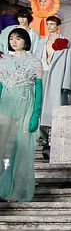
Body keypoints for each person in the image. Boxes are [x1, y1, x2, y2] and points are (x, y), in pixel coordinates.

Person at [0, 28, 43, 202]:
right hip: (6, 106)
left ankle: (16, 189)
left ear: (26, 40)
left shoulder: (35, 62)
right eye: (11, 38)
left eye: (18, 38)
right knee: (3, 148)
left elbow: (39, 90)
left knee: (21, 148)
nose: (14, 41)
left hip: (26, 106)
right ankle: (3, 186)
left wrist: (36, 114)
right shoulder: (4, 61)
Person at [38, 16, 71, 137]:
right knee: (40, 104)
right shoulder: (41, 42)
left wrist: (67, 83)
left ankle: (55, 134)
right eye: (48, 24)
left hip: (57, 76)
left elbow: (70, 64)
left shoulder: (65, 42)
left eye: (52, 24)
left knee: (55, 105)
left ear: (58, 26)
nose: (49, 26)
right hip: (42, 73)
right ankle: (41, 135)